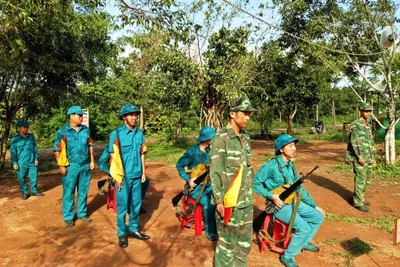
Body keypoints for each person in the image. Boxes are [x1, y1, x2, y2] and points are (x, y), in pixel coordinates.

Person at [254, 134, 325, 267]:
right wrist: (272, 196)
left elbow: (299, 189)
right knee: (304, 227)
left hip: (292, 201)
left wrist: (314, 205)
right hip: (279, 206)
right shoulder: (270, 166)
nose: (294, 148)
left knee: (318, 216)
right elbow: (255, 184)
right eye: (290, 146)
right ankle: (287, 256)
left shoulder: (291, 166)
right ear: (281, 149)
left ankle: (303, 242)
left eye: (294, 145)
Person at [210, 96, 256, 267]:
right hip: (229, 202)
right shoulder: (220, 138)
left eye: (249, 114)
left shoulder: (245, 137)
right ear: (232, 114)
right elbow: (215, 172)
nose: (248, 117)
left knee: (244, 244)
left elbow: (247, 168)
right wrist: (219, 201)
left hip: (246, 201)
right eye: (244, 113)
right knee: (227, 246)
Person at [108, 103, 149, 248]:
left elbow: (142, 153)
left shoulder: (139, 133)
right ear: (124, 117)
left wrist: (144, 171)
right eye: (131, 115)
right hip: (123, 178)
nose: (134, 117)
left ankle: (133, 229)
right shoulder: (116, 134)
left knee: (136, 204)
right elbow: (113, 157)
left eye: (136, 115)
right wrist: (116, 177)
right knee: (123, 206)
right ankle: (121, 233)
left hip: (137, 175)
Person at [53, 106, 95, 227]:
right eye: (79, 115)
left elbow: (90, 146)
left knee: (83, 190)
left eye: (82, 115)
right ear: (71, 116)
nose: (82, 117)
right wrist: (61, 166)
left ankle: (82, 213)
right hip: (71, 166)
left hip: (85, 165)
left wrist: (92, 161)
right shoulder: (62, 132)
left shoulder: (85, 130)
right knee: (69, 192)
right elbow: (57, 150)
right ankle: (68, 216)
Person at [176, 126, 217, 241]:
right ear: (207, 140)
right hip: (195, 189)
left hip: (208, 185)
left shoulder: (209, 152)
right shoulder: (192, 153)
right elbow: (179, 165)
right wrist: (188, 179)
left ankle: (216, 224)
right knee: (210, 204)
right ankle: (210, 232)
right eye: (212, 138)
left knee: (220, 198)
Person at [98, 146, 149, 214]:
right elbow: (101, 163)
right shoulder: (112, 146)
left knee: (145, 181)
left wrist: (142, 172)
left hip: (132, 173)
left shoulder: (133, 145)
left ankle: (136, 204)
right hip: (119, 175)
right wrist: (111, 173)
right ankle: (127, 206)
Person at [345, 102, 376, 213]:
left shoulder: (367, 125)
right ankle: (358, 202)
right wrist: (359, 157)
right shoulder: (355, 124)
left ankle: (359, 197)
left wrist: (373, 157)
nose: (368, 113)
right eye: (366, 111)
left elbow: (370, 142)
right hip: (360, 157)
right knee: (360, 179)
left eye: (370, 111)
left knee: (367, 179)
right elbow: (355, 142)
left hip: (368, 156)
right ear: (361, 111)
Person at [10, 120, 44, 200]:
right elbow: (13, 151)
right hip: (21, 162)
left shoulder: (31, 137)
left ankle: (34, 191)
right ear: (19, 128)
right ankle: (25, 192)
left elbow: (35, 147)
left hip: (31, 161)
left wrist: (36, 158)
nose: (26, 129)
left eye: (27, 127)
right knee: (21, 178)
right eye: (24, 127)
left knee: (34, 176)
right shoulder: (15, 139)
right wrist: (14, 162)